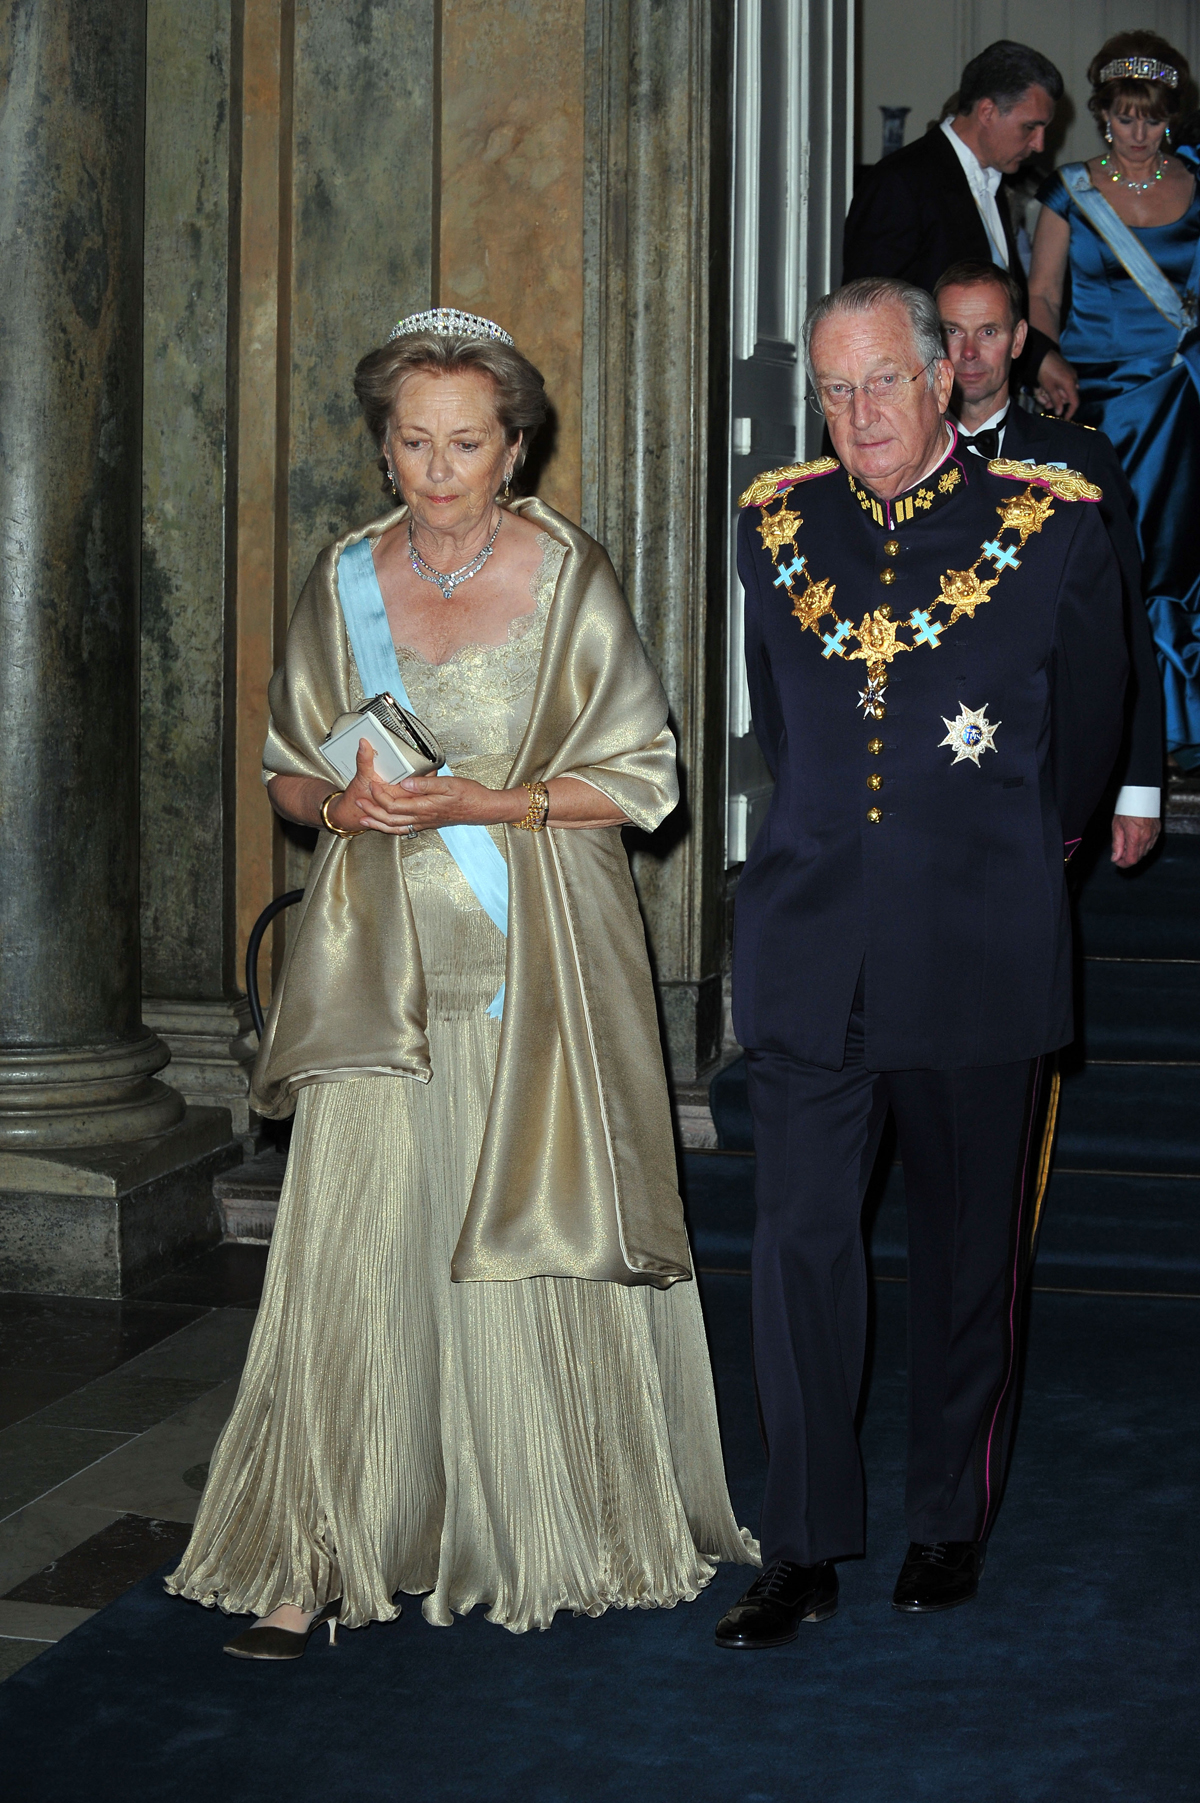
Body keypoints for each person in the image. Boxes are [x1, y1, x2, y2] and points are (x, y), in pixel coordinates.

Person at [167, 308, 754, 1656]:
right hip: (379, 967)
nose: (438, 468)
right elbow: (283, 770)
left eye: (467, 442)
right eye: (414, 442)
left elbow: (644, 779)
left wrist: (485, 797)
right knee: (355, 1257)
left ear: (514, 448)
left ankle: (550, 1518)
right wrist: (344, 805)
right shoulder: (345, 577)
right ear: (385, 450)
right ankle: (316, 1545)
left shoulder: (569, 577)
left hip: (535, 966)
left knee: (522, 1241)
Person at [715, 278, 1127, 1650]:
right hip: (811, 941)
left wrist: (1005, 856)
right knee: (799, 1247)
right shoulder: (773, 523)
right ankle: (804, 1538)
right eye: (833, 391)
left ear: (947, 376)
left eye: (882, 382)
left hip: (978, 940)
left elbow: (1087, 736)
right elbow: (786, 724)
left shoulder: (1050, 528)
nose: (858, 416)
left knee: (964, 1258)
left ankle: (947, 1516)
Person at [934, 258, 1162, 866]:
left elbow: (1125, 622)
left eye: (987, 331)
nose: (969, 352)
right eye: (952, 331)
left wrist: (1139, 785)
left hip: (1045, 756)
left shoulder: (1079, 457)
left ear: (1018, 341)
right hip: (921, 758)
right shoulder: (889, 456)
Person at [1029, 32, 1200, 774]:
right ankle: (1102, 721)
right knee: (1098, 553)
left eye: (1153, 120)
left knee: (1173, 556)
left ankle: (1174, 721)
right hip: (1091, 399)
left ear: (1171, 118)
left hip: (1179, 400)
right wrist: (1048, 359)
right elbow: (1039, 293)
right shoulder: (1071, 188)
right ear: (1102, 114)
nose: (1139, 135)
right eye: (1126, 118)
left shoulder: (1199, 182)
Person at [843, 40, 1078, 414]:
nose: (1039, 144)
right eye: (1030, 127)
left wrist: (1038, 361)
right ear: (986, 111)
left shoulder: (992, 184)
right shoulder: (902, 180)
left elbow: (989, 310)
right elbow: (869, 316)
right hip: (904, 423)